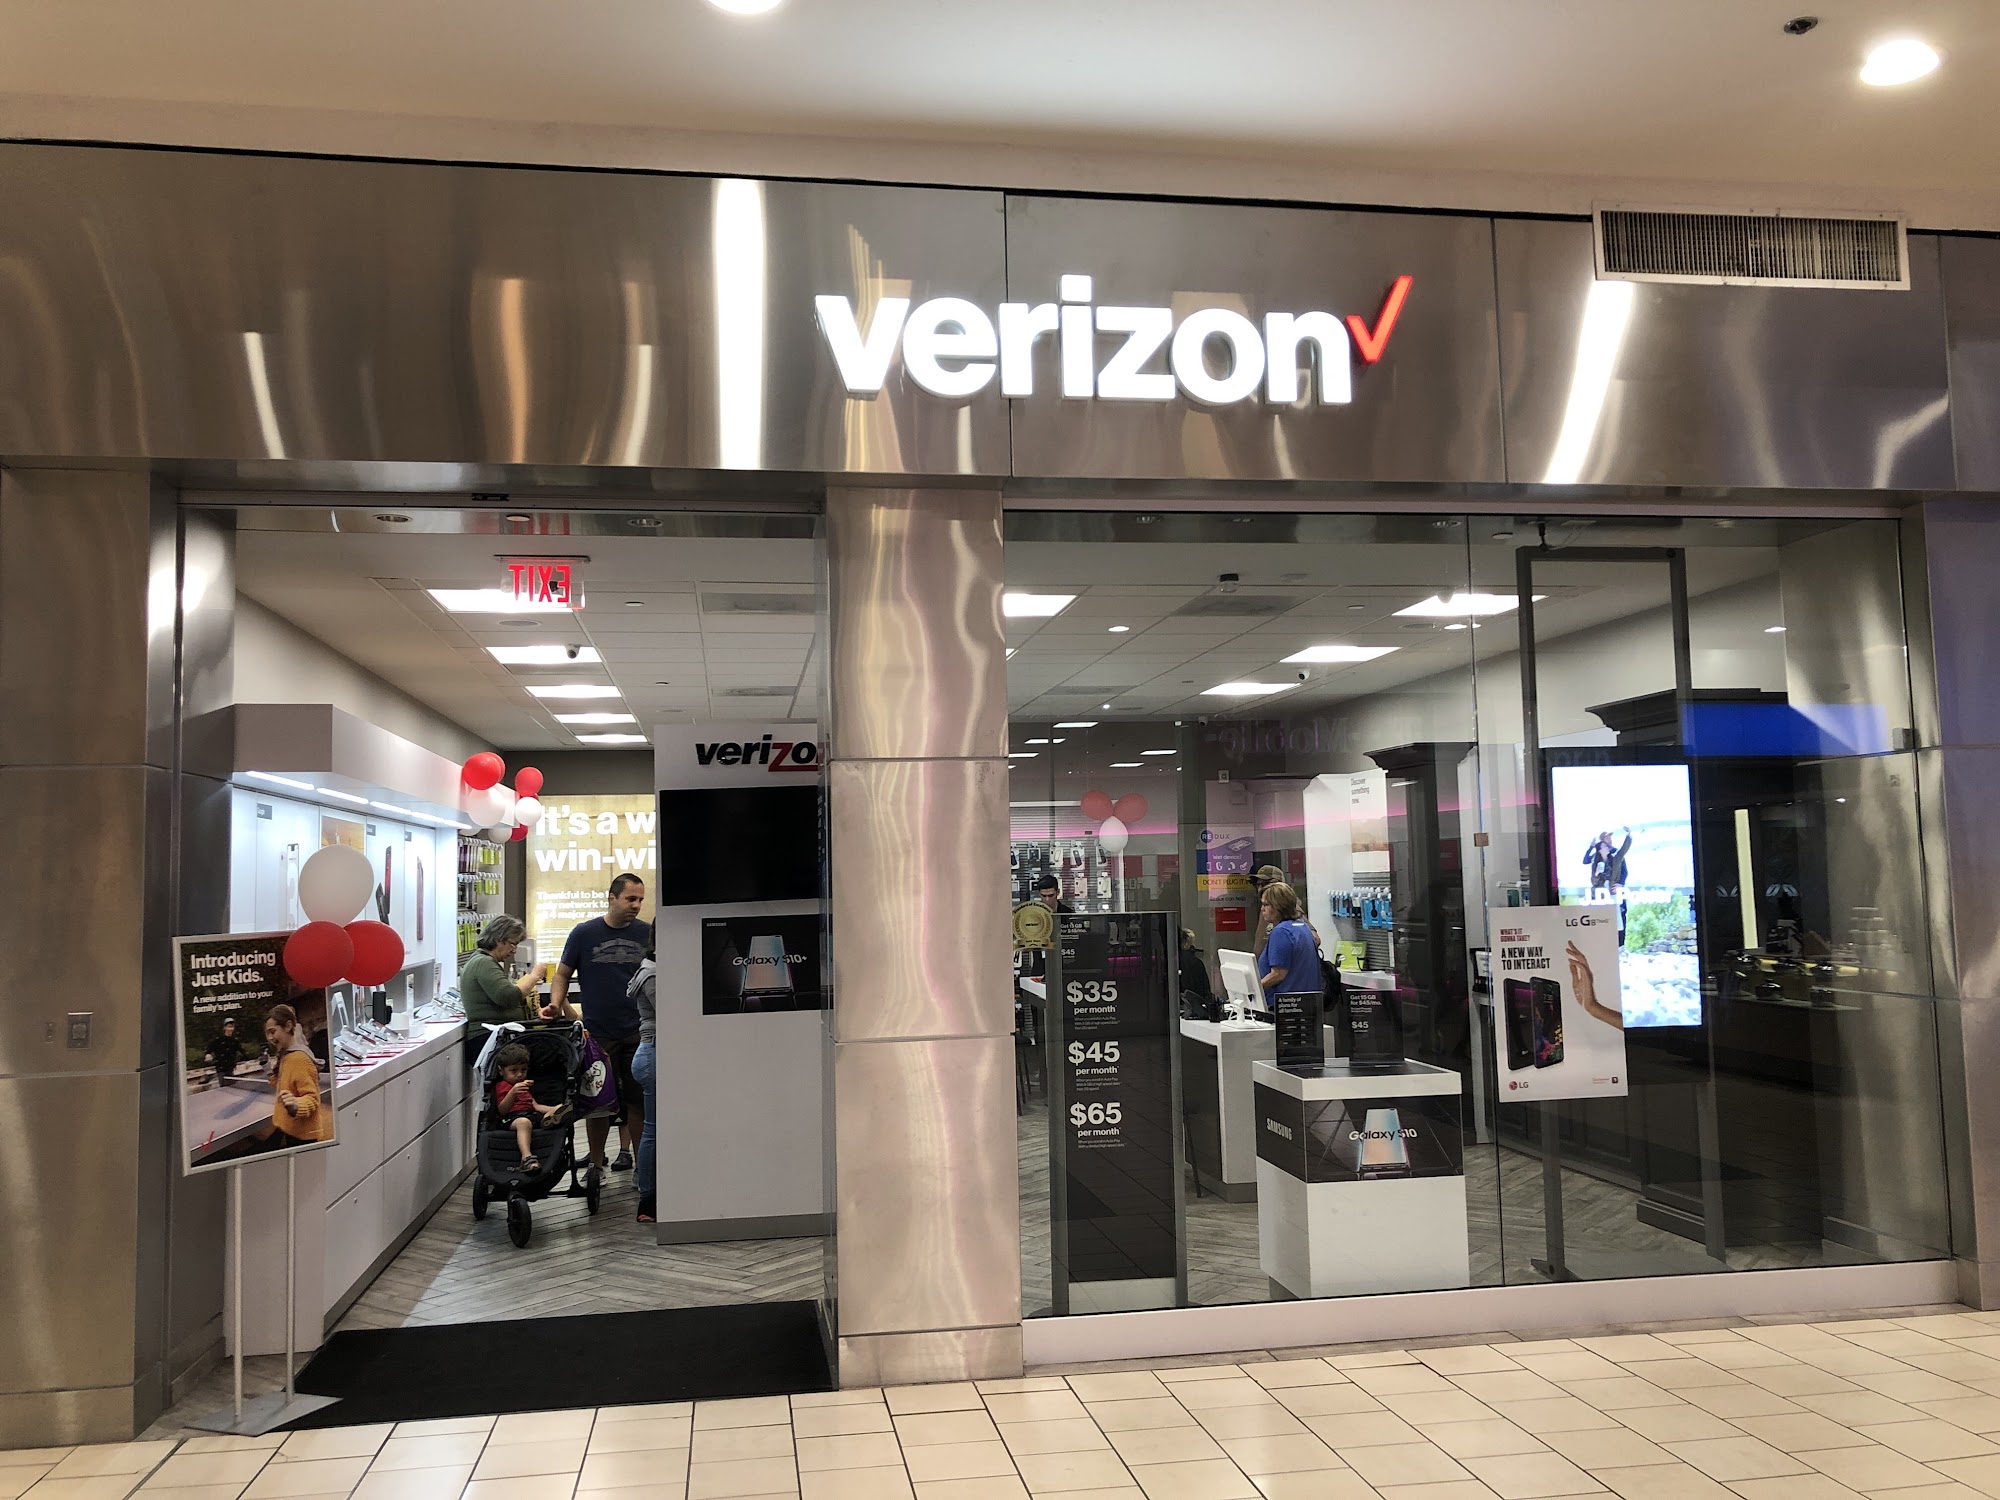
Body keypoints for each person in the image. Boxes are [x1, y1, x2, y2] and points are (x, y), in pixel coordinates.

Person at [548, 874, 652, 1172]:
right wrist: (556, 1004)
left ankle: (641, 1169)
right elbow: (562, 974)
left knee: (637, 1102)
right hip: (597, 1034)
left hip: (638, 1032)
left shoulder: (647, 933)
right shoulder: (584, 933)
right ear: (612, 898)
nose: (636, 905)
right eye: (630, 899)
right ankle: (596, 1166)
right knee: (597, 1103)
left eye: (640, 900)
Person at [459, 915, 549, 1066]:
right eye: (513, 944)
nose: (514, 951)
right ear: (499, 940)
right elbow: (508, 996)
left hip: (498, 1037)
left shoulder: (482, 961)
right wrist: (534, 976)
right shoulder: (483, 963)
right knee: (553, 1053)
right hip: (490, 1039)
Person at [492, 1041, 570, 1174]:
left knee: (556, 1109)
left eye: (523, 1070)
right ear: (501, 1071)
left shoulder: (524, 1087)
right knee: (524, 1123)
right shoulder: (503, 1086)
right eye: (514, 1070)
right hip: (511, 1118)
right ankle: (526, 1157)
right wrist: (512, 1093)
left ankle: (551, 1119)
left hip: (531, 1114)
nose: (519, 1075)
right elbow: (502, 1110)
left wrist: (555, 1108)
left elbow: (535, 1106)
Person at [260, 1003, 329, 1148]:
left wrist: (296, 1105)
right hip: (287, 1127)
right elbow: (283, 1084)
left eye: (273, 1031)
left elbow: (312, 1099)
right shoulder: (286, 1055)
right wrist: (267, 1069)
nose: (270, 1037)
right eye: (267, 1033)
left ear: (288, 1026)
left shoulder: (300, 1059)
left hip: (301, 1136)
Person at [627, 932, 659, 1224]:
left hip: (652, 1053)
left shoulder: (650, 970)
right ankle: (648, 1201)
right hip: (653, 1054)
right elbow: (671, 1013)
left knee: (654, 1128)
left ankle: (651, 1198)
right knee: (653, 1129)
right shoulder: (651, 974)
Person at [1256, 880, 1323, 1004]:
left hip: (1285, 1005)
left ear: (1279, 906)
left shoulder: (1281, 932)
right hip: (1307, 1004)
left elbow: (1278, 974)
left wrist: (1253, 989)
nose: (1262, 909)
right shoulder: (1302, 927)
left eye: (1266, 905)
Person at [1017, 874, 1073, 980]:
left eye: (1051, 895)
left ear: (1058, 893)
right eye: (1043, 896)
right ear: (1039, 894)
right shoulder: (1032, 914)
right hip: (1039, 969)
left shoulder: (1068, 913)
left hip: (1064, 966)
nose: (1047, 900)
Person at [1249, 864, 1288, 957]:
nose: (1260, 889)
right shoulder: (1265, 909)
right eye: (1258, 885)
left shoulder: (1290, 908)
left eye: (1265, 884)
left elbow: (1314, 938)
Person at [205, 1017, 244, 1085]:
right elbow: (209, 1050)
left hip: (230, 1068)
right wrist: (208, 1055)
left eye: (232, 1027)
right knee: (224, 1087)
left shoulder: (234, 1041)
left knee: (232, 1086)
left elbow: (242, 1051)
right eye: (229, 1027)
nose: (231, 1029)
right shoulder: (218, 1040)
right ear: (225, 1028)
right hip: (221, 1068)